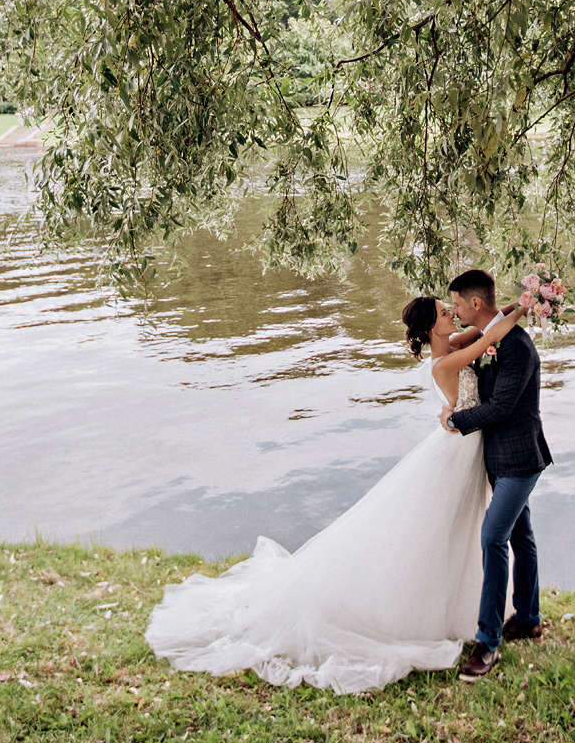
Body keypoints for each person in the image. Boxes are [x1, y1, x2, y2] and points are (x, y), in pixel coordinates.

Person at [144, 293, 525, 694]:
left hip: (465, 446)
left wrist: (511, 306)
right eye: (446, 314)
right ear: (432, 328)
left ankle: (460, 609)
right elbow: (491, 335)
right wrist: (529, 302)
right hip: (456, 451)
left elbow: (481, 328)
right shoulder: (446, 361)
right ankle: (416, 613)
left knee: (461, 529)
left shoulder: (452, 346)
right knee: (433, 531)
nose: (454, 316)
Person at [440, 268, 553, 682]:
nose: (454, 311)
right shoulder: (490, 339)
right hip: (498, 459)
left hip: (522, 460)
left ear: (474, 303)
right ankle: (528, 617)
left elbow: (501, 408)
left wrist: (454, 422)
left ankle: (487, 642)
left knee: (493, 538)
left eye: (456, 304)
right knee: (521, 536)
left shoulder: (518, 347)